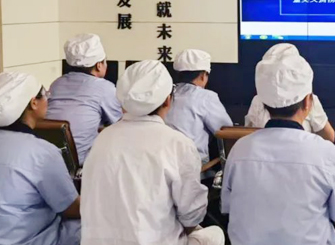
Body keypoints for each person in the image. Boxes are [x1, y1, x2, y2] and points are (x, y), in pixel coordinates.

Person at [80, 60, 224, 245]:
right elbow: (191, 216)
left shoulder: (102, 139)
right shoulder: (178, 144)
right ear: (168, 100)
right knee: (215, 235)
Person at [222, 54, 335, 245]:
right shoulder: (326, 152)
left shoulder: (239, 149)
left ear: (263, 104)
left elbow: (228, 207)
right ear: (308, 102)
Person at [0, 72, 81, 245]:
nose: (48, 99)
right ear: (33, 103)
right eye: (45, 94)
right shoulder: (41, 152)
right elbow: (70, 208)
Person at [47, 33, 122, 164]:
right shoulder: (105, 88)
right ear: (99, 65)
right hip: (81, 164)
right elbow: (120, 125)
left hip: (49, 158)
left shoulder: (56, 84)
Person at [245, 43, 335, 141]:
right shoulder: (311, 101)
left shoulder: (258, 101)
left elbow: (246, 133)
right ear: (307, 101)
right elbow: (329, 137)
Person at [165, 49, 233, 164]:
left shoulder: (166, 93)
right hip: (192, 164)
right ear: (203, 76)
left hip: (164, 159)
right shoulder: (205, 96)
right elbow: (226, 130)